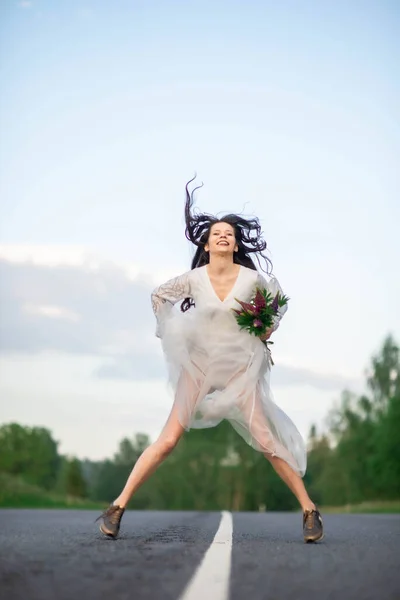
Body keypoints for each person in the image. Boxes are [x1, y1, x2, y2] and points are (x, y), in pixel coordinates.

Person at [96, 177, 323, 543]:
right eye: (216, 233)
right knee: (168, 440)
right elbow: (159, 296)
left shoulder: (252, 281)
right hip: (199, 367)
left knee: (265, 441)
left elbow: (277, 305)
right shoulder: (193, 279)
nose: (222, 237)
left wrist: (265, 329)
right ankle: (117, 507)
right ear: (206, 243)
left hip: (239, 370)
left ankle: (310, 510)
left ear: (234, 244)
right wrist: (171, 332)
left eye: (228, 234)